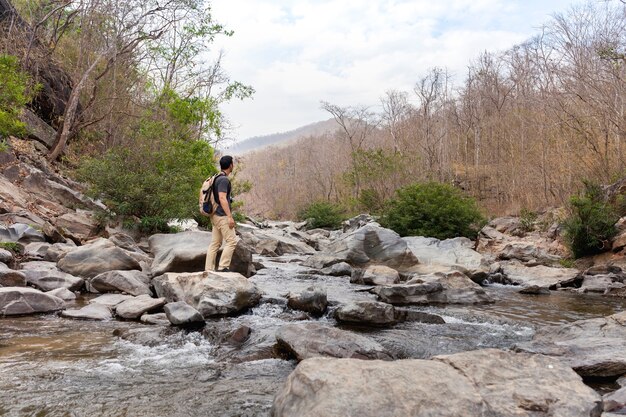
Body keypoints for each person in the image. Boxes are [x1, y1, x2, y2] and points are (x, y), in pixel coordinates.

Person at [205, 155, 237, 272]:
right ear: (230, 165)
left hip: (214, 215)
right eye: (232, 163)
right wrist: (229, 217)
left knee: (215, 244)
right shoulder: (224, 180)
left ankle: (208, 269)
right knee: (232, 241)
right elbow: (222, 198)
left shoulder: (216, 177)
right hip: (222, 215)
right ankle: (223, 267)